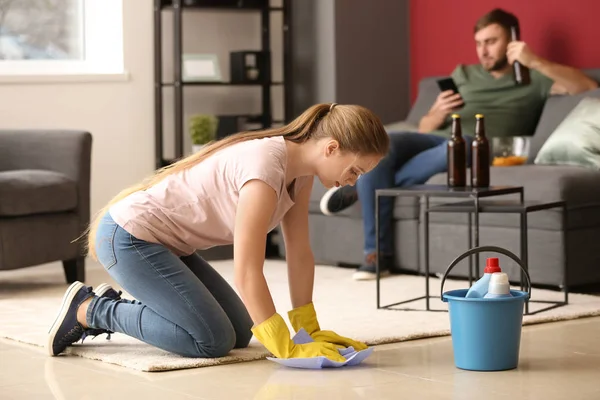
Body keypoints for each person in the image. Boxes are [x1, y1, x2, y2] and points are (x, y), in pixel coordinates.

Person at [47, 103, 390, 362]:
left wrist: (307, 329)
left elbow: (300, 253)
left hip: (170, 246)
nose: (352, 181)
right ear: (331, 148)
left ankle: (114, 307)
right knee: (211, 340)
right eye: (355, 170)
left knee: (240, 333)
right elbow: (246, 270)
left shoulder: (301, 176)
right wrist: (284, 346)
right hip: (129, 238)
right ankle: (91, 309)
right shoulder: (265, 166)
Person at [319, 8, 599, 281]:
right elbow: (424, 127)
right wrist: (436, 113)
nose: (483, 50)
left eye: (491, 41)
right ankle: (372, 194)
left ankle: (371, 225)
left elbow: (587, 86)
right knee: (385, 141)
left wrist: (534, 61)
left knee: (460, 144)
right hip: (433, 137)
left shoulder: (532, 78)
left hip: (471, 145)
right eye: (478, 43)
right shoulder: (464, 74)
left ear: (512, 40)